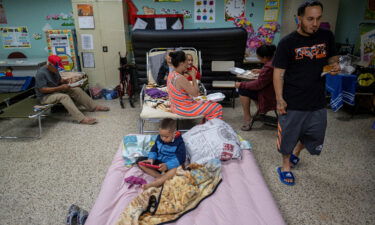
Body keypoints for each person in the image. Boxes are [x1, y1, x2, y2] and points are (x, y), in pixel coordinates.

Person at [272, 0, 340, 186]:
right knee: (288, 135)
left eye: (318, 18)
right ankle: (285, 166)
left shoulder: (327, 36)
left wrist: (334, 64)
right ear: (299, 18)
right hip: (293, 99)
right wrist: (279, 99)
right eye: (310, 19)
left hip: (317, 99)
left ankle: (296, 153)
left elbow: (332, 56)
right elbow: (278, 73)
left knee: (315, 135)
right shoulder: (287, 43)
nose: (315, 23)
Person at [35, 55, 109, 125]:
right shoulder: (41, 73)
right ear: (49, 64)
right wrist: (60, 88)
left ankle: (94, 107)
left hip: (56, 91)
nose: (57, 69)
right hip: (45, 96)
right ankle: (81, 119)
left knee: (76, 90)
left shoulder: (54, 69)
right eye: (56, 67)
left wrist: (66, 81)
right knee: (64, 97)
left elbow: (59, 80)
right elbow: (42, 90)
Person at [167, 51, 223, 120]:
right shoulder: (180, 78)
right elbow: (196, 94)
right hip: (184, 109)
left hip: (175, 106)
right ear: (181, 63)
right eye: (186, 61)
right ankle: (212, 128)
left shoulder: (171, 74)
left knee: (206, 102)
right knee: (217, 107)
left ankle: (207, 125)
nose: (188, 64)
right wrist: (193, 76)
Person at [235, 44, 277, 131]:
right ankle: (259, 110)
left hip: (270, 95)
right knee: (248, 87)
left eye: (260, 58)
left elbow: (258, 84)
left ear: (265, 57)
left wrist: (241, 84)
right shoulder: (275, 61)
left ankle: (247, 118)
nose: (259, 60)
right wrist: (261, 71)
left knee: (243, 89)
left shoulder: (268, 67)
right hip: (273, 91)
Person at [139, 118, 186, 189]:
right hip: (159, 162)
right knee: (140, 162)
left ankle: (157, 183)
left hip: (170, 165)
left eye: (166, 137)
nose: (163, 139)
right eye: (161, 136)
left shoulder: (179, 143)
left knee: (177, 169)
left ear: (174, 133)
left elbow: (181, 158)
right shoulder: (159, 138)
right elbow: (154, 148)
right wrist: (151, 159)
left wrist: (167, 165)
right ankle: (161, 177)